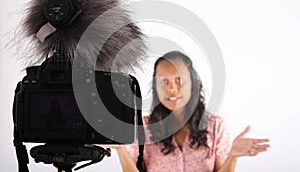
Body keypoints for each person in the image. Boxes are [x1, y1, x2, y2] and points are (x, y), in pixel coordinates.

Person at [104, 51, 270, 172]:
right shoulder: (142, 128)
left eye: (179, 80)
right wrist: (120, 149)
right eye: (164, 82)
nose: (172, 89)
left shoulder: (216, 127)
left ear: (193, 84)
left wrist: (233, 156)